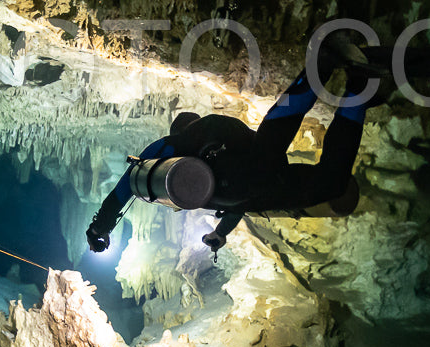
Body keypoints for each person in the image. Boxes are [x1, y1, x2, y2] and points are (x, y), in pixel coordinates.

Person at [85, 33, 387, 254]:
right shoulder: (199, 141)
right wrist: (220, 233)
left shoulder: (172, 144)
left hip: (256, 185)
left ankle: (329, 70)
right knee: (328, 180)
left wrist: (101, 226)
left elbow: (126, 186)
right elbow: (238, 202)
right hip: (260, 187)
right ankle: (354, 85)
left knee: (313, 173)